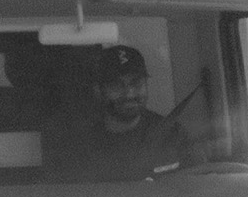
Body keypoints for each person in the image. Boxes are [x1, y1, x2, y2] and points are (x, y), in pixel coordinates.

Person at [45, 45, 194, 182]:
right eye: (117, 85)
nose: (129, 93)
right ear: (98, 90)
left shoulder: (172, 134)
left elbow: (193, 189)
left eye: (136, 83)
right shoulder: (76, 142)